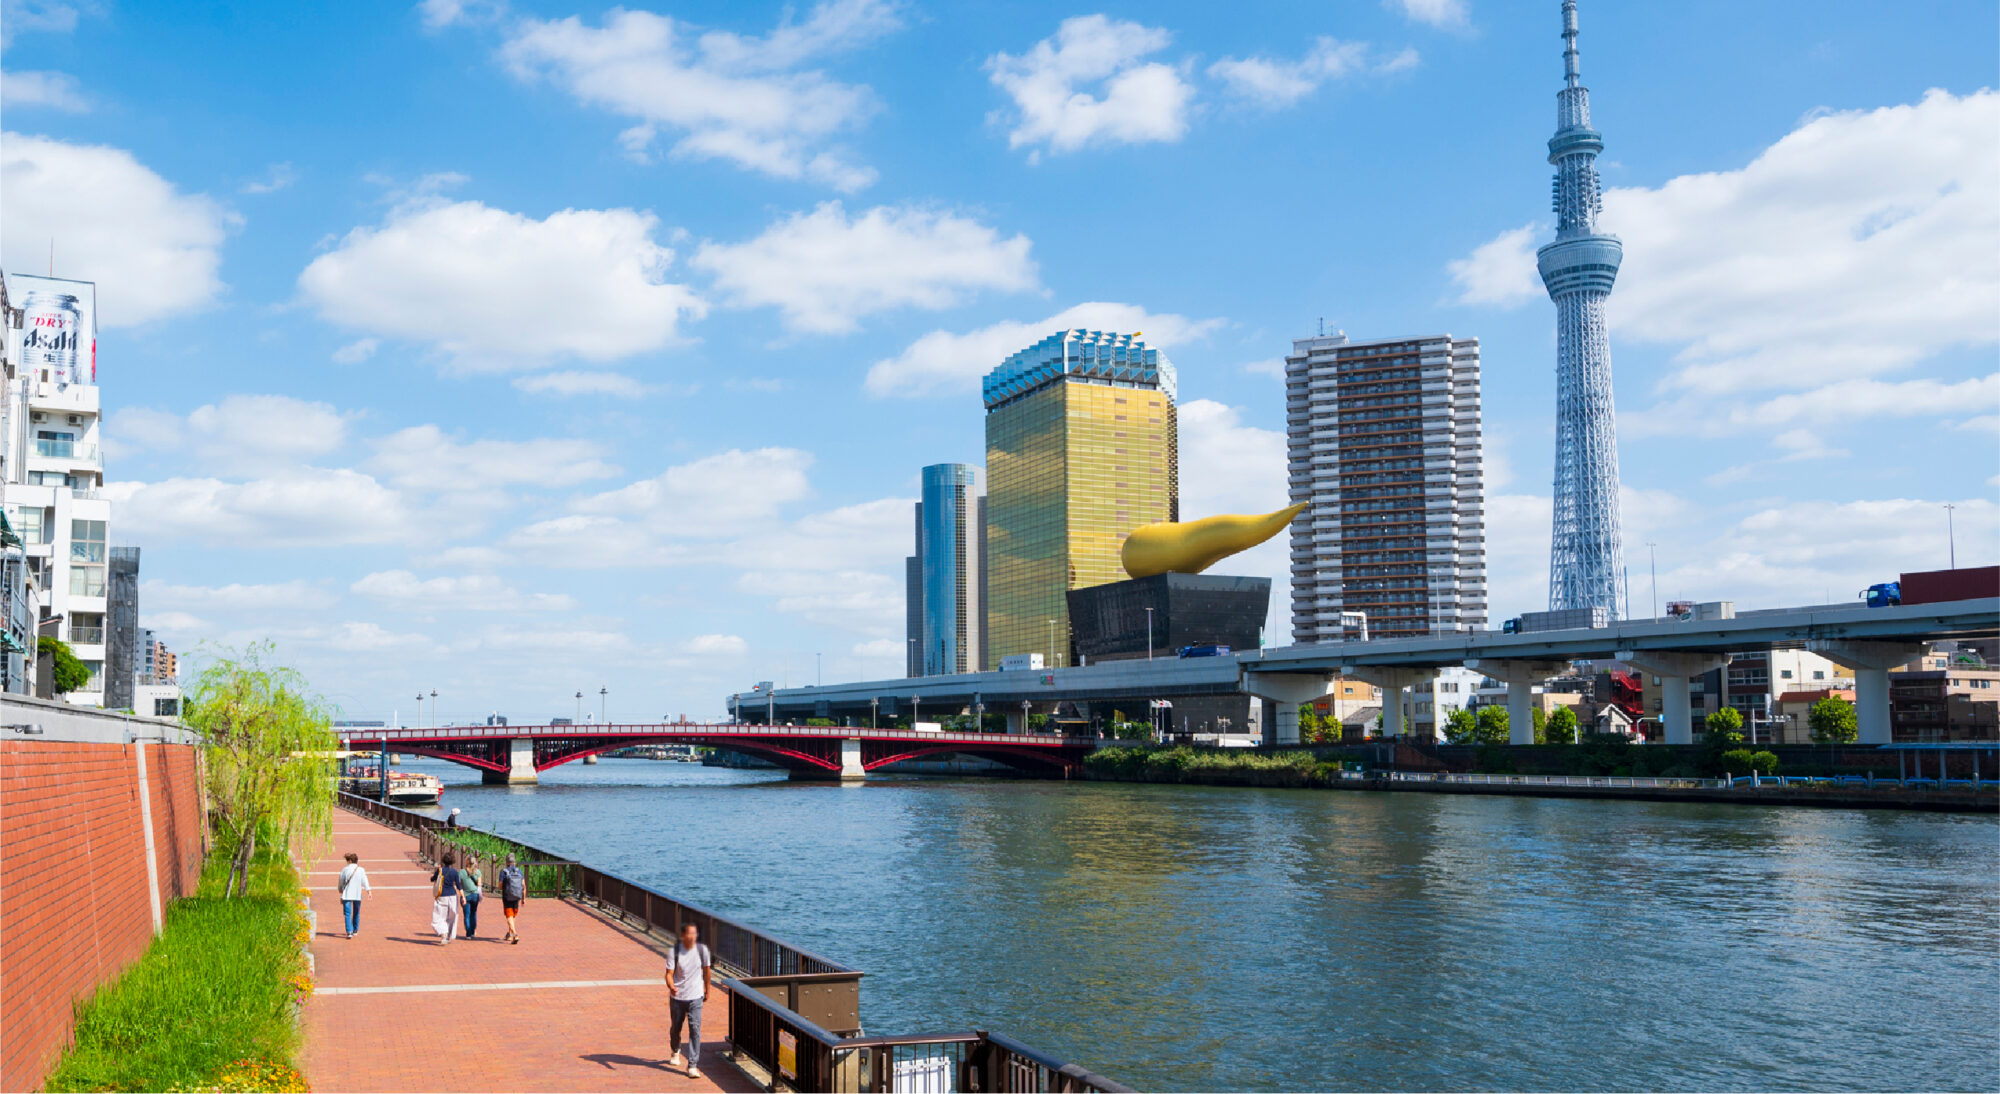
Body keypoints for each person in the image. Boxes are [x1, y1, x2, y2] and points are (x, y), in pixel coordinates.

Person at [666, 923, 713, 1079]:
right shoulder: (675, 952)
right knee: (676, 1028)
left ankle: (692, 1065)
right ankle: (675, 1050)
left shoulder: (702, 951)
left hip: (696, 996)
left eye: (695, 933)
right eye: (690, 934)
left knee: (695, 1029)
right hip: (678, 998)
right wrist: (671, 986)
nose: (693, 937)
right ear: (682, 935)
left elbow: (707, 971)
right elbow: (668, 974)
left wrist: (707, 989)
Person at [430, 851, 461, 944]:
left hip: (442, 895)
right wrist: (463, 896)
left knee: (440, 916)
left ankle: (443, 933)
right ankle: (448, 936)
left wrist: (435, 871)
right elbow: (459, 885)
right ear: (452, 861)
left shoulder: (440, 870)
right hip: (452, 896)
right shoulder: (455, 872)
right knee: (451, 917)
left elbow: (432, 879)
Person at [337, 852, 370, 938]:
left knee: (347, 913)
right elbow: (364, 880)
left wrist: (340, 888)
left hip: (347, 894)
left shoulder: (345, 869)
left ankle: (349, 932)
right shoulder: (361, 870)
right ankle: (355, 929)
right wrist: (368, 891)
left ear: (350, 861)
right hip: (357, 894)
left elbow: (341, 880)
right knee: (356, 912)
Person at [498, 853, 525, 945]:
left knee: (509, 916)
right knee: (513, 916)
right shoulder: (519, 871)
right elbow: (523, 886)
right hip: (517, 896)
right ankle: (509, 934)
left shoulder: (504, 871)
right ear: (515, 862)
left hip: (507, 897)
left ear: (506, 862)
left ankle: (515, 934)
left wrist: (502, 887)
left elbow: (500, 886)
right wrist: (523, 898)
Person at [460, 854, 483, 939]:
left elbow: (458, 883)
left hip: (465, 895)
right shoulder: (478, 872)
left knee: (467, 914)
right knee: (473, 913)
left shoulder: (462, 872)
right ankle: (472, 931)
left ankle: (468, 934)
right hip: (475, 895)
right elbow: (479, 884)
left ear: (467, 862)